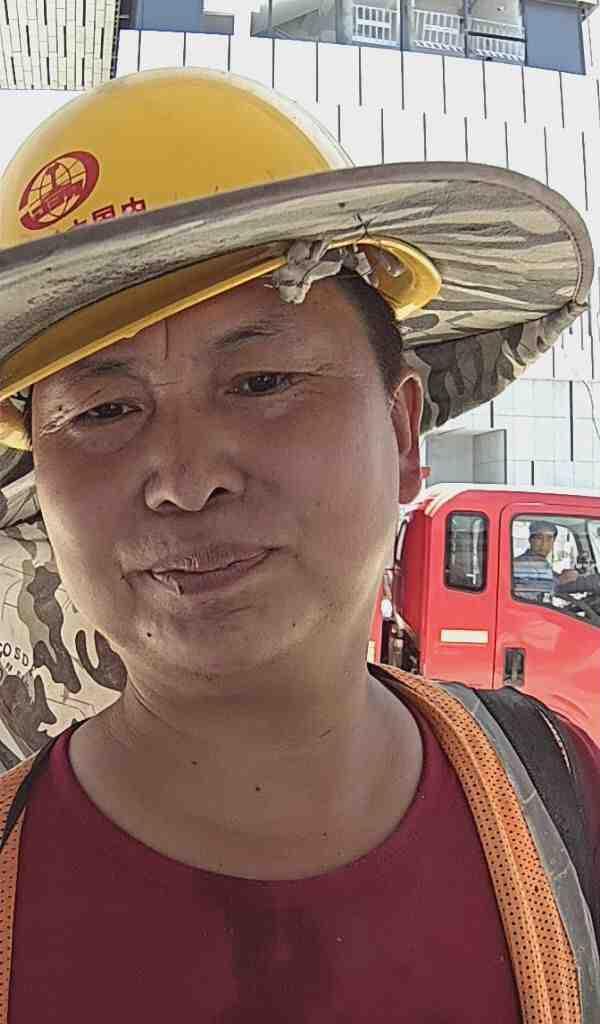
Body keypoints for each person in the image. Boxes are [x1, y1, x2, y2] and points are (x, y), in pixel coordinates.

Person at [0, 68, 597, 1021]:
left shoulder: (565, 801)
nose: (184, 478)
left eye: (262, 382)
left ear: (402, 432)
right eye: (103, 410)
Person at [512, 520, 578, 602]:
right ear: (530, 540)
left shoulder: (540, 562)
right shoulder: (521, 564)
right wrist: (562, 579)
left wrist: (566, 575)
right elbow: (528, 591)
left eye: (549, 539)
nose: (544, 544)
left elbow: (549, 578)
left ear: (553, 541)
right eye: (539, 538)